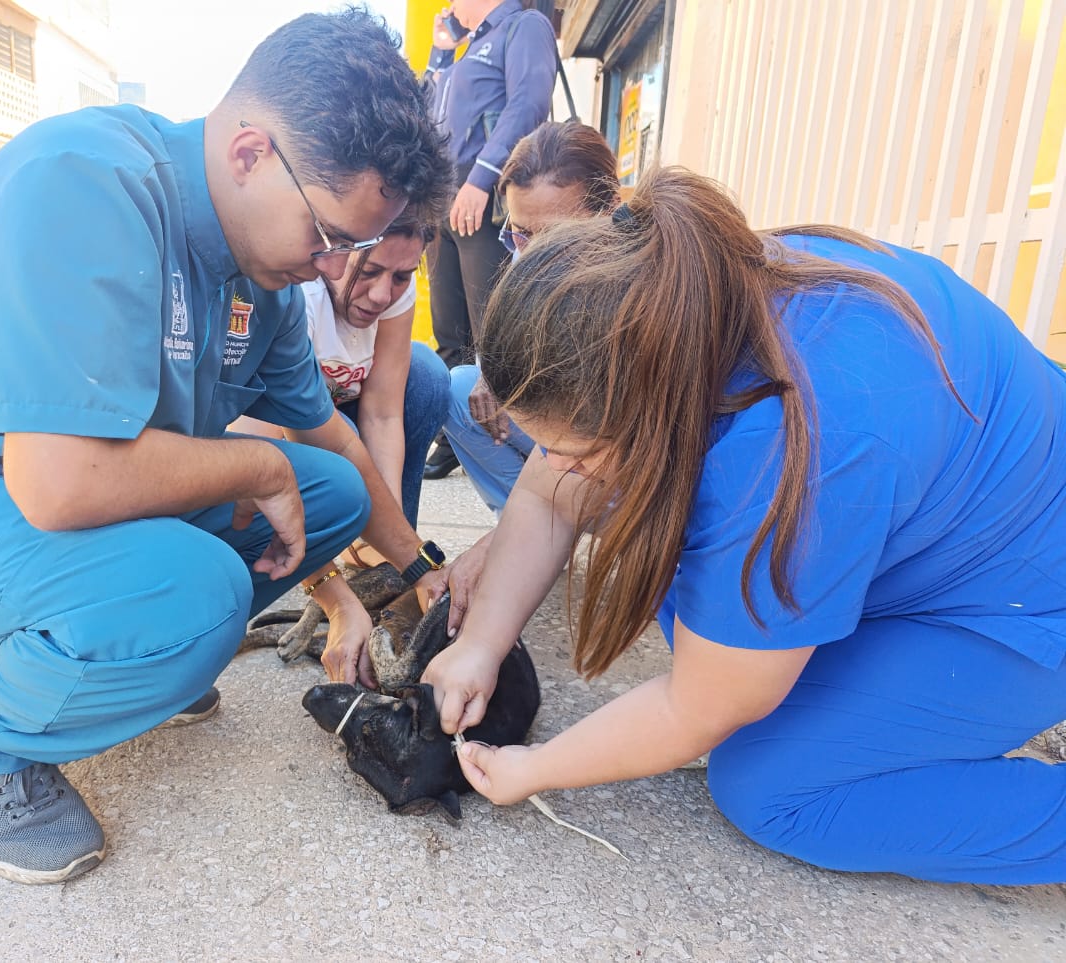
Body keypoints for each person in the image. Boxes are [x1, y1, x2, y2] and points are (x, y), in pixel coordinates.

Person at [0, 10, 454, 885]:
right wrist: (255, 464)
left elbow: (332, 436)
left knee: (330, 488)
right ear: (250, 153)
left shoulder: (261, 278)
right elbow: (61, 483)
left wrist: (423, 569)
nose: (337, 269)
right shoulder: (82, 184)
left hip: (27, 499)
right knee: (202, 588)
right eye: (331, 238)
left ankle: (142, 642)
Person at [421, 165, 1066, 884]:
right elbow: (549, 490)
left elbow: (699, 708)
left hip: (1026, 598)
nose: (555, 469)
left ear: (644, 408)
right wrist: (480, 644)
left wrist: (535, 768)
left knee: (772, 789)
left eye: (574, 451)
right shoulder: (680, 292)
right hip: (963, 518)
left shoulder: (793, 456)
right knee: (699, 603)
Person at [232, 208, 450, 540]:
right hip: (287, 427)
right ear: (334, 253)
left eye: (402, 277)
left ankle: (385, 538)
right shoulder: (301, 296)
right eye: (369, 271)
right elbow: (263, 440)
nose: (382, 295)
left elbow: (383, 415)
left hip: (346, 406)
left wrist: (395, 531)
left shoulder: (392, 288)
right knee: (335, 430)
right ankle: (335, 537)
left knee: (427, 374)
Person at [443, 120, 620, 513]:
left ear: (609, 210)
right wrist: (493, 373)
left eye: (555, 237)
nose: (533, 256)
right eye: (521, 233)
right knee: (460, 390)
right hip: (562, 441)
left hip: (630, 468)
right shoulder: (522, 249)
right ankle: (523, 520)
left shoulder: (647, 282)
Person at [419, 0, 558, 479]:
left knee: (491, 327)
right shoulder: (465, 47)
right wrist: (440, 53)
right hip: (445, 197)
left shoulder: (522, 26)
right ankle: (453, 434)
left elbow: (528, 103)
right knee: (448, 328)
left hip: (486, 196)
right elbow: (427, 116)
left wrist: (481, 177)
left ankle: (516, 437)